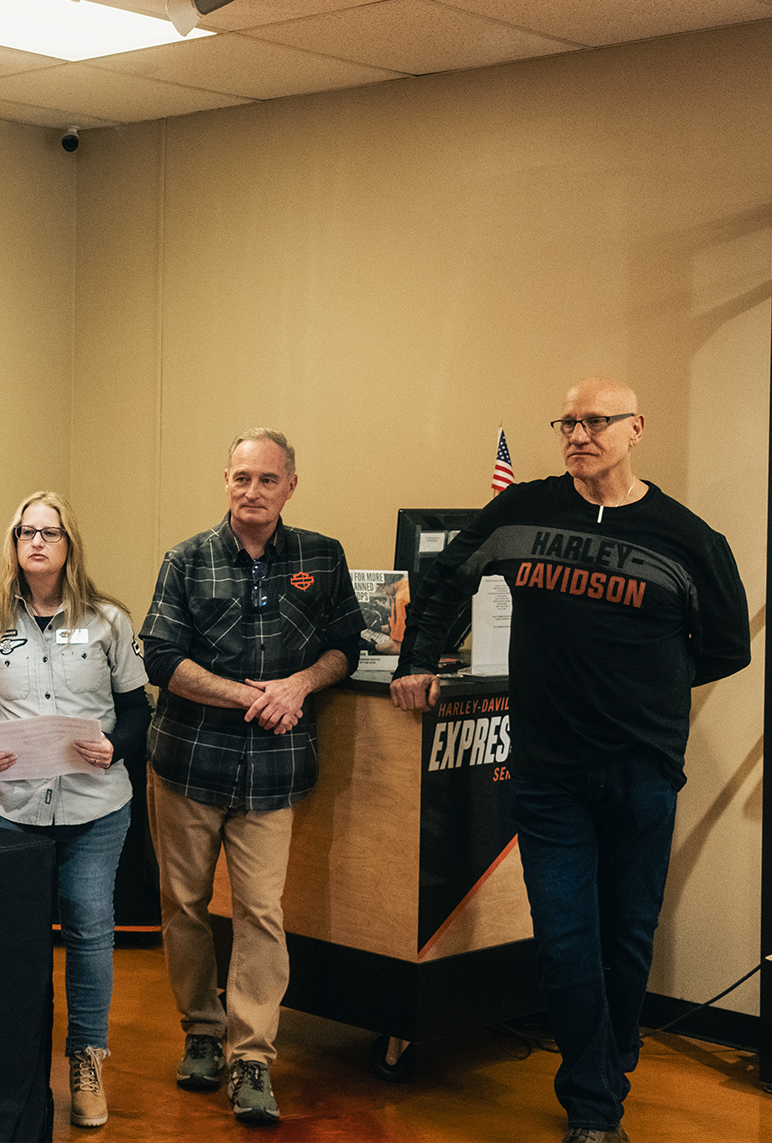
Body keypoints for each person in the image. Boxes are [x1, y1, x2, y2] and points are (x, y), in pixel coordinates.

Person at [390, 378, 750, 1143]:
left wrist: (645, 684)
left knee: (627, 935)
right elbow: (448, 577)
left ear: (636, 428)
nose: (579, 435)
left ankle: (609, 1061)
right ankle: (594, 1106)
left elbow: (726, 646)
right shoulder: (522, 511)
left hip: (643, 769)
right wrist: (417, 661)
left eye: (596, 421)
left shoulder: (688, 537)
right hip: (548, 768)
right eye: (568, 422)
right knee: (564, 939)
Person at [140, 428, 363, 1123]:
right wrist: (249, 696)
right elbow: (161, 657)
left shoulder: (322, 557)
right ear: (226, 481)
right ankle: (202, 1032)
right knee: (184, 904)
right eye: (242, 477)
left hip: (274, 770)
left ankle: (252, 1056)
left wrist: (299, 684)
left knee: (262, 912)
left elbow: (346, 646)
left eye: (267, 479)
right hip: (188, 763)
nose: (253, 491)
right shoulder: (187, 560)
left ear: (290, 485)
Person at [0, 491, 151, 1129]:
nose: (37, 542)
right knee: (16, 937)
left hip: (96, 806)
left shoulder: (108, 622)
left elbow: (138, 710)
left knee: (90, 931)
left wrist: (115, 746)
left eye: (50, 532)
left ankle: (86, 1061)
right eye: (26, 532)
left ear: (70, 545)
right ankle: (18, 1064)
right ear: (14, 544)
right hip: (13, 809)